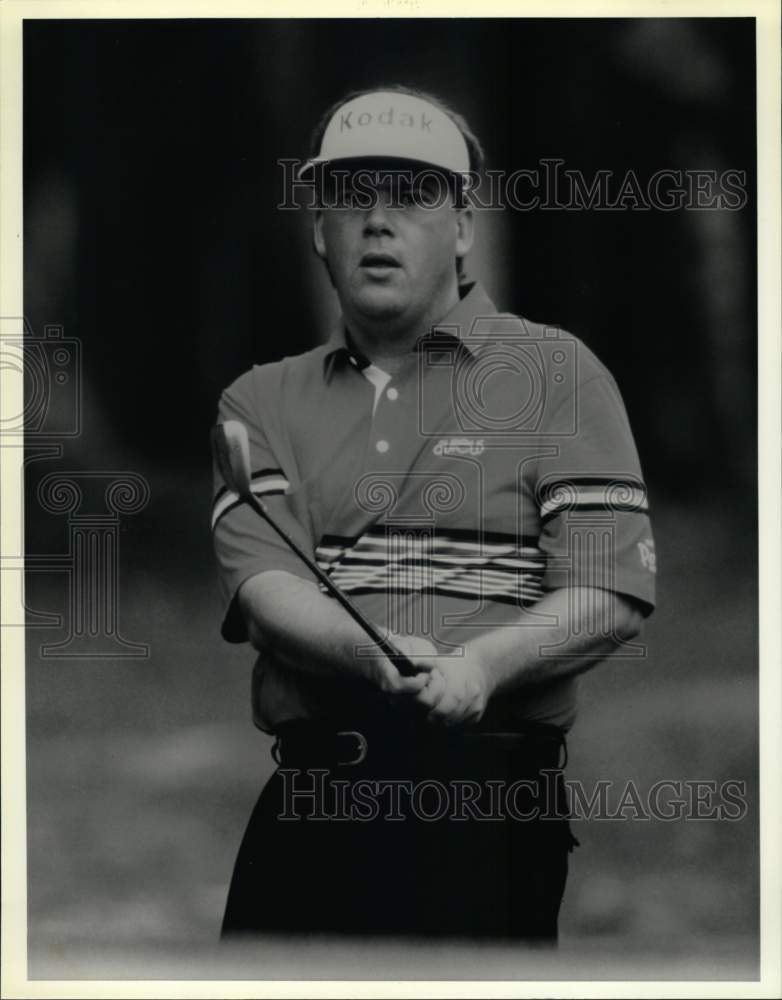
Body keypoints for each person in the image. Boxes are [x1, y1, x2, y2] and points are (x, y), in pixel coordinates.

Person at [211, 85, 656, 942]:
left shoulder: (559, 375)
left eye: (413, 195)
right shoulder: (257, 400)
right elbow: (267, 591)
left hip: (487, 802)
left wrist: (483, 666)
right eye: (351, 196)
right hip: (313, 796)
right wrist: (372, 656)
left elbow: (609, 594)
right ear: (319, 229)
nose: (378, 222)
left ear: (462, 227)